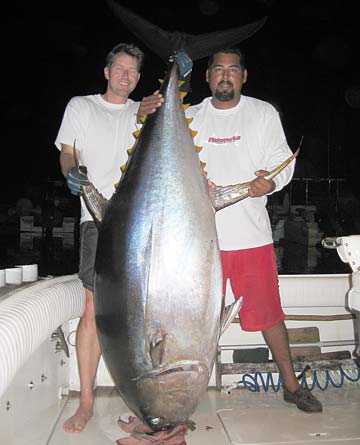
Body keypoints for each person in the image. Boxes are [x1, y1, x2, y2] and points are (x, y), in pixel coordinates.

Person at [185, 48, 322, 413]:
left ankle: (291, 387)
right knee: (192, 323)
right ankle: (183, 393)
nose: (225, 76)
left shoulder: (262, 113)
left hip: (250, 237)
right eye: (218, 70)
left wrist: (270, 182)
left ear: (244, 76)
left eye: (232, 70)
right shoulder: (188, 116)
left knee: (271, 317)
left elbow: (281, 163)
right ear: (208, 77)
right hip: (198, 242)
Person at [54, 42, 163, 434]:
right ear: (106, 71)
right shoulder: (81, 107)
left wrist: (175, 76)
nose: (126, 76)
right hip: (98, 220)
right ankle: (85, 402)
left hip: (142, 223)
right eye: (120, 68)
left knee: (145, 312)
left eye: (133, 71)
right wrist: (72, 172)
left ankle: (140, 398)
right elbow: (69, 153)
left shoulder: (144, 111)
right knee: (92, 310)